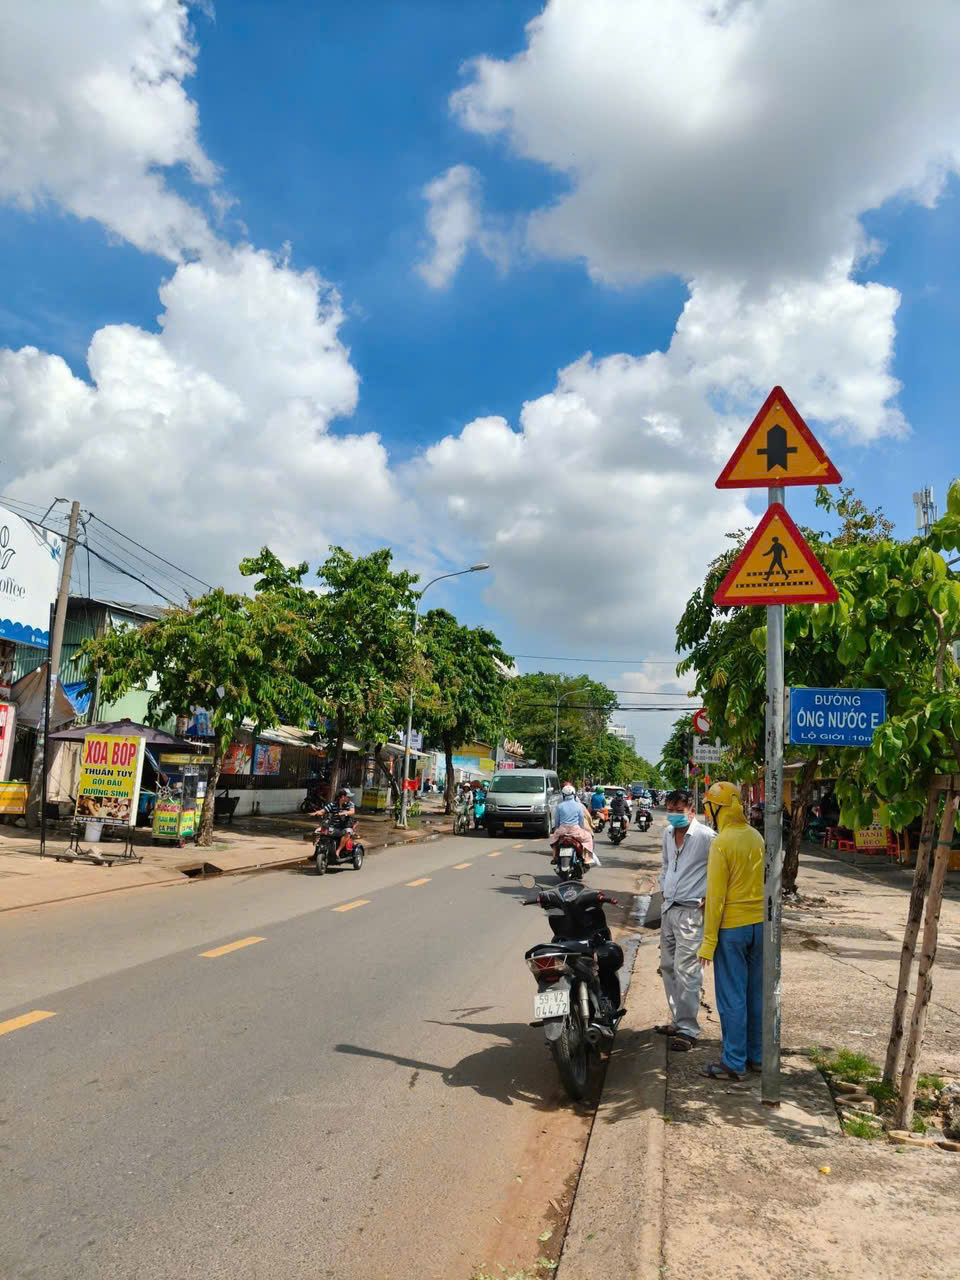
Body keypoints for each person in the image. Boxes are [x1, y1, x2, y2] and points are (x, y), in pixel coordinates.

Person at [697, 780, 764, 1081]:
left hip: (732, 930)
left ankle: (735, 1062)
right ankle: (757, 1057)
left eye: (708, 807)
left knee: (732, 997)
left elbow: (716, 898)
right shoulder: (756, 836)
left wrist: (707, 942)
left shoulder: (721, 843)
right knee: (756, 995)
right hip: (759, 926)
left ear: (717, 808)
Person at [655, 789, 715, 1053]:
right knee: (668, 967)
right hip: (669, 908)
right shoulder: (668, 834)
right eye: (670, 810)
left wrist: (711, 896)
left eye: (679, 811)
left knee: (687, 971)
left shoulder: (707, 837)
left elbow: (722, 869)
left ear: (692, 810)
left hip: (692, 912)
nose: (673, 815)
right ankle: (678, 1020)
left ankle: (688, 1030)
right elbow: (666, 864)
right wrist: (663, 887)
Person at [550, 782, 596, 866]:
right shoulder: (579, 806)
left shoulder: (559, 806)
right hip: (575, 829)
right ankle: (586, 858)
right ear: (574, 794)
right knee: (588, 838)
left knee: (554, 841)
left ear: (563, 795)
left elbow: (557, 821)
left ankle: (554, 857)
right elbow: (581, 820)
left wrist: (556, 830)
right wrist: (582, 829)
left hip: (562, 830)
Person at [312, 786, 356, 859]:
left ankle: (338, 851)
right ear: (342, 797)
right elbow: (324, 810)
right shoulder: (333, 804)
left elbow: (352, 811)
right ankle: (317, 852)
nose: (349, 798)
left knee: (348, 832)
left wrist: (344, 813)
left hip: (344, 827)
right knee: (318, 832)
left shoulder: (350, 804)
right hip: (333, 827)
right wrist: (318, 812)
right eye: (348, 796)